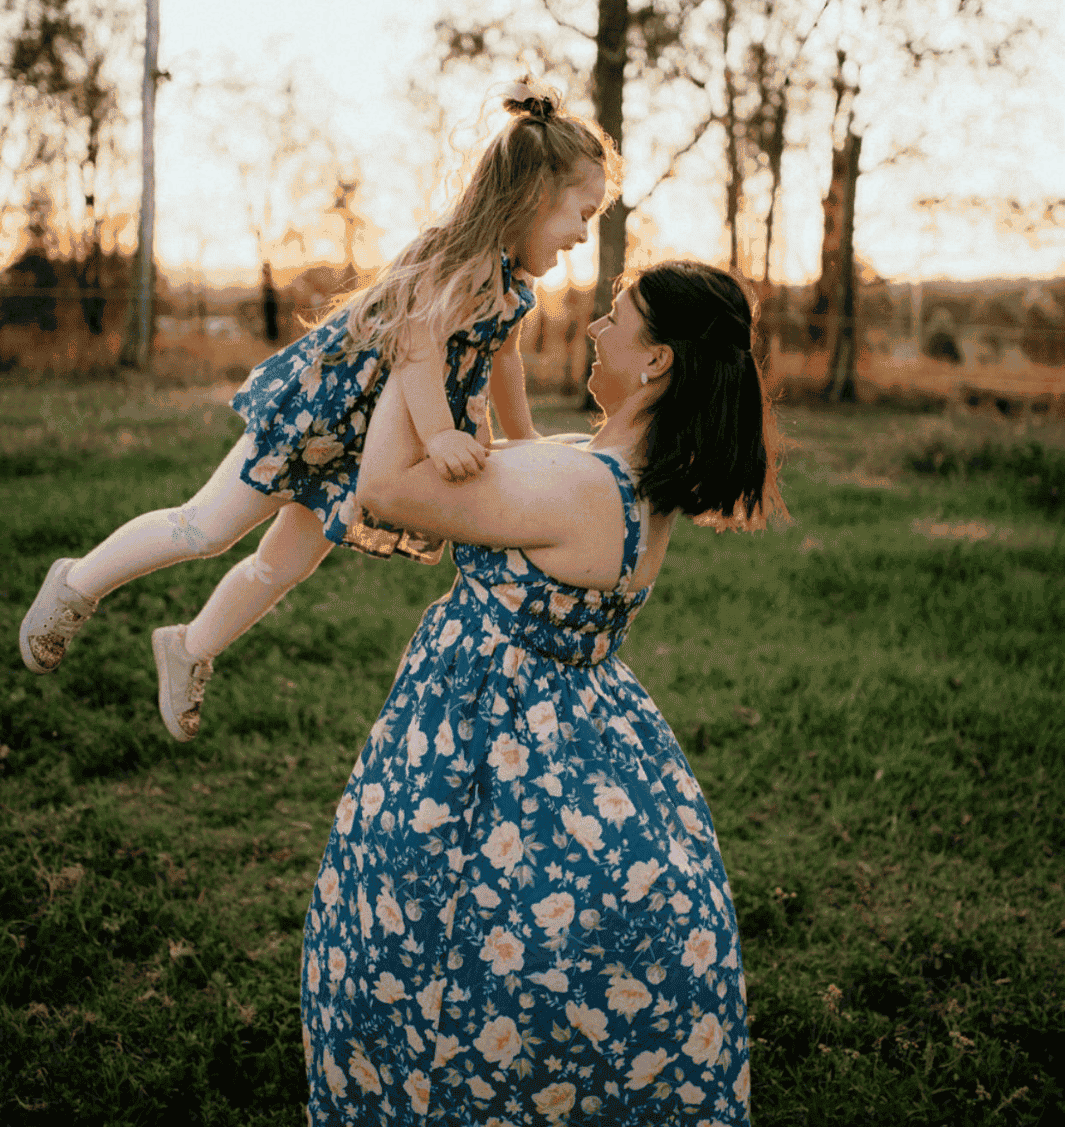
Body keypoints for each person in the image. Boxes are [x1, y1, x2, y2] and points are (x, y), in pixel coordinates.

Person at [301, 258, 786, 1126]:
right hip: (572, 727)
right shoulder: (606, 467)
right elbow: (514, 446)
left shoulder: (578, 485)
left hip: (490, 741)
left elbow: (383, 489)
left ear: (656, 360)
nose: (596, 329)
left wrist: (413, 350)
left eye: (614, 317)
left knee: (430, 951)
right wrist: (487, 350)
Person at [19, 79, 619, 744]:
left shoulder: (514, 284)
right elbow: (416, 344)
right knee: (207, 527)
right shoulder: (456, 257)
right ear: (535, 196)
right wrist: (441, 432)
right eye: (582, 215)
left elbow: (501, 358)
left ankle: (191, 646)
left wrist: (525, 436)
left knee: (285, 565)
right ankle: (77, 582)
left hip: (365, 448)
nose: (582, 236)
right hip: (321, 415)